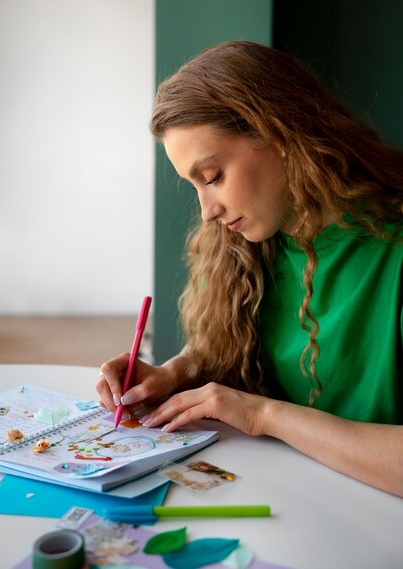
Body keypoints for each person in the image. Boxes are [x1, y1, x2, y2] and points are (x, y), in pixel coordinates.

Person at [96, 41, 403, 497]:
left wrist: (263, 415)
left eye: (213, 176)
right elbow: (234, 349)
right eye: (194, 186)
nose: (206, 211)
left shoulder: (392, 252)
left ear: (280, 135)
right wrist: (176, 372)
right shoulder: (247, 244)